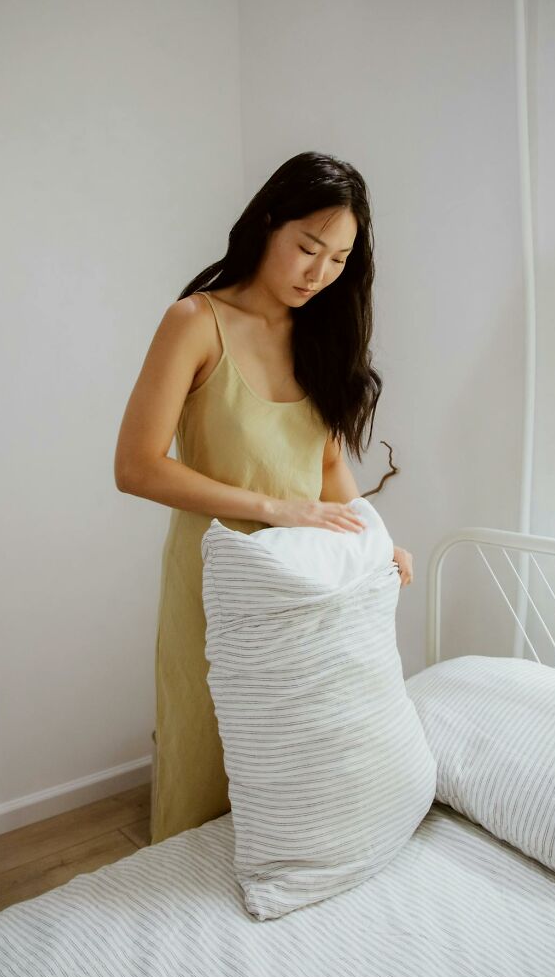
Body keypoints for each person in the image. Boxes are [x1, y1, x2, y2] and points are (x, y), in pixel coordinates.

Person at [114, 150, 413, 846]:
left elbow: (328, 462)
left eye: (338, 259)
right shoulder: (195, 321)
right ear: (268, 222)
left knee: (295, 756)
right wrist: (281, 508)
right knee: (208, 748)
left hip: (303, 583)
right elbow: (136, 466)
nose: (319, 273)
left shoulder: (320, 335)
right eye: (308, 247)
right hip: (216, 579)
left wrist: (375, 541)